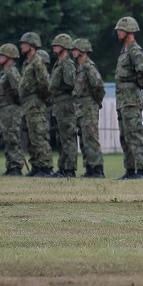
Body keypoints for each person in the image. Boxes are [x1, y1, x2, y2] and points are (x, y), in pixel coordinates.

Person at [115, 16, 143, 180]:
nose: (118, 32)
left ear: (129, 31)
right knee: (124, 137)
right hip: (122, 101)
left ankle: (141, 171)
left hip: (131, 101)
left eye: (120, 30)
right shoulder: (125, 51)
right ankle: (130, 170)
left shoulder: (134, 50)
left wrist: (135, 83)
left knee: (135, 135)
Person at [17, 32, 56, 178]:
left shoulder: (37, 62)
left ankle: (45, 167)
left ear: (32, 46)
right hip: (27, 104)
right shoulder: (28, 63)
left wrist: (41, 100)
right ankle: (37, 166)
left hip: (35, 104)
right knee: (31, 137)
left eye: (24, 44)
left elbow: (45, 83)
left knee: (39, 136)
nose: (22, 46)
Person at [71, 38, 106, 178]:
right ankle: (89, 168)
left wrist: (95, 102)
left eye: (76, 49)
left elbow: (98, 85)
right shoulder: (80, 68)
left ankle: (97, 169)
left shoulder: (88, 67)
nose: (73, 52)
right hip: (81, 107)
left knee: (90, 137)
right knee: (84, 138)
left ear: (83, 51)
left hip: (88, 106)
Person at [47, 33, 80, 177]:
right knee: (60, 138)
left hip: (65, 103)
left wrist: (58, 90)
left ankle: (69, 169)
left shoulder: (67, 63)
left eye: (57, 45)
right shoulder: (58, 63)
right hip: (58, 104)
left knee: (68, 137)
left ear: (65, 47)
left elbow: (70, 83)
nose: (54, 47)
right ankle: (62, 167)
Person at [0, 44, 25, 176]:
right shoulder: (4, 72)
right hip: (4, 111)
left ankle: (16, 167)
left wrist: (15, 107)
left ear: (11, 57)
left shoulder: (12, 72)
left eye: (3, 55)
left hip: (11, 110)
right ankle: (10, 166)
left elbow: (19, 91)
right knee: (6, 138)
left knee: (12, 138)